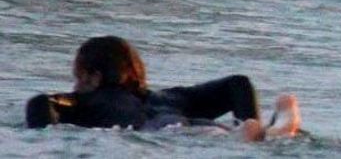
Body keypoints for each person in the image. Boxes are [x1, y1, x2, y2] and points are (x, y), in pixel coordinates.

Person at [24, 35, 301, 141]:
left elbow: (40, 103)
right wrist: (248, 119)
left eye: (78, 78)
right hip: (202, 125)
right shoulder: (170, 96)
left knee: (227, 140)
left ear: (94, 78)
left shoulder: (88, 102)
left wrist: (47, 137)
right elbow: (237, 84)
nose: (75, 86)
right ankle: (268, 128)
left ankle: (250, 137)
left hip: (169, 134)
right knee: (248, 134)